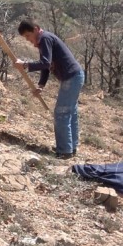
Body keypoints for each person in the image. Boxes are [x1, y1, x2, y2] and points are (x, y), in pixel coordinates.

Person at [14, 20, 85, 159]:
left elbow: (45, 63)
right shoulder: (43, 40)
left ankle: (65, 151)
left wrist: (25, 65)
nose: (28, 40)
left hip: (71, 77)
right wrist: (41, 85)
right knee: (70, 113)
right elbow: (47, 66)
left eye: (28, 36)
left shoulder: (45, 38)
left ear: (35, 29)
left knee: (61, 113)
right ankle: (70, 147)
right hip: (74, 76)